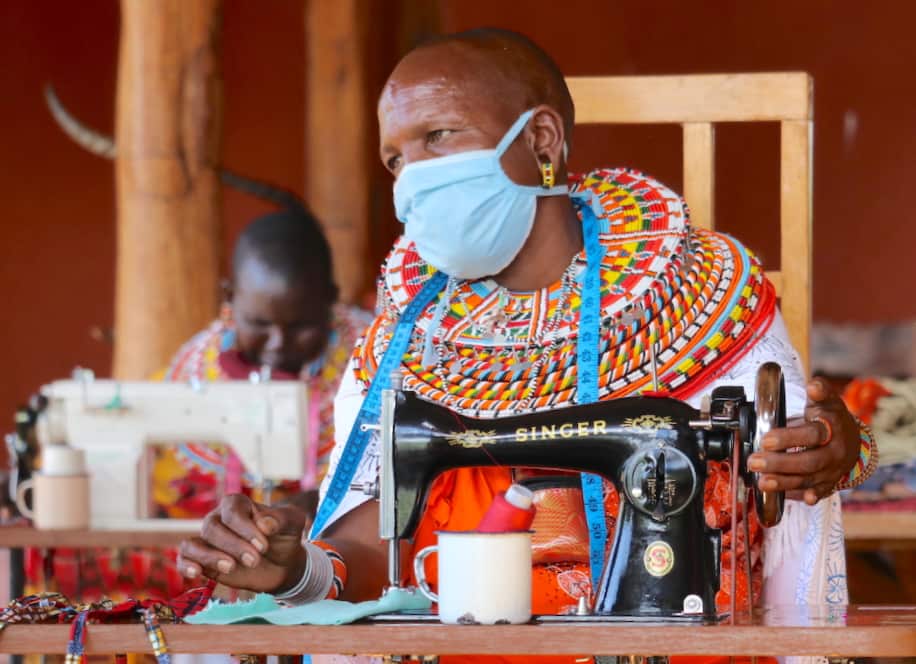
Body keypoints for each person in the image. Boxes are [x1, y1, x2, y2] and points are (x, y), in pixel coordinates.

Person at [177, 29, 877, 663]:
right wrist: (290, 568)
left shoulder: (699, 291)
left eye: (438, 137)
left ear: (541, 141)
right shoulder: (403, 336)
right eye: (395, 159)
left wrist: (829, 451)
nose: (410, 179)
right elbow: (368, 552)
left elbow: (786, 473)